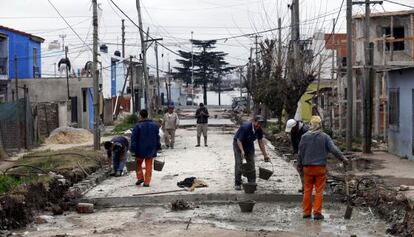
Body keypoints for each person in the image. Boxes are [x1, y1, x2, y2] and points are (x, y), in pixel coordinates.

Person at [298, 116, 348, 220]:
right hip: (320, 168)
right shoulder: (325, 137)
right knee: (319, 191)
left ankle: (306, 212)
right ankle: (317, 213)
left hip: (307, 168)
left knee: (307, 190)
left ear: (310, 125)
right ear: (320, 125)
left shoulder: (304, 137)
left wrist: (299, 166)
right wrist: (343, 158)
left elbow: (300, 153)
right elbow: (334, 149)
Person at [233, 115, 270, 190]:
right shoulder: (245, 127)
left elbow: (260, 142)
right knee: (239, 163)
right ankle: (237, 183)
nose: (259, 125)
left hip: (249, 144)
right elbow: (239, 140)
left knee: (251, 163)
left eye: (261, 123)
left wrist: (265, 154)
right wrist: (242, 151)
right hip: (238, 145)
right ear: (254, 121)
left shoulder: (259, 130)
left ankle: (252, 182)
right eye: (258, 123)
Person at [130, 110, 161, 187]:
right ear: (147, 115)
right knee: (148, 165)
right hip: (151, 148)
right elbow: (157, 137)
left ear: (140, 116)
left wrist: (132, 149)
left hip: (140, 149)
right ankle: (147, 182)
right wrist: (158, 146)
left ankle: (140, 177)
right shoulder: (154, 125)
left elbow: (133, 138)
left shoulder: (137, 126)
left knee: (138, 164)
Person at [285, 119, 308, 193]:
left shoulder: (305, 131)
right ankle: (304, 186)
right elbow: (293, 141)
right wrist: (295, 151)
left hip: (306, 152)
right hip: (299, 152)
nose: (292, 130)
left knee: (306, 170)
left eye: (293, 129)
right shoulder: (293, 131)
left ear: (296, 126)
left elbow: (307, 143)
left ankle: (307, 187)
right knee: (300, 169)